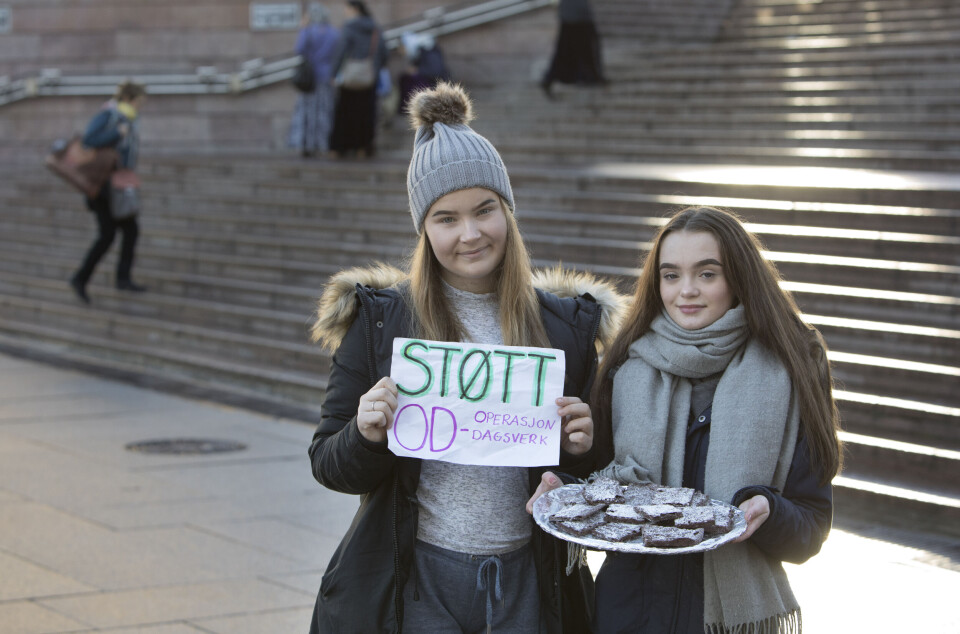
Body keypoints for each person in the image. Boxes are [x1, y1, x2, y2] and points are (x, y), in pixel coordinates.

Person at [306, 82, 624, 633]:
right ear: (424, 230)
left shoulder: (565, 327)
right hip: (417, 580)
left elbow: (592, 476)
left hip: (532, 580)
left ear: (508, 212)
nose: (470, 234)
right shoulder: (382, 322)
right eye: (446, 218)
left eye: (484, 210)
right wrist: (364, 432)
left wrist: (582, 448)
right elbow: (329, 463)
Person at [528, 206, 844, 633]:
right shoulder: (625, 366)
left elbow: (810, 527)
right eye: (671, 275)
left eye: (707, 274)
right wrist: (564, 484)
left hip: (728, 621)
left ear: (738, 278)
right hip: (626, 616)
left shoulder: (792, 370)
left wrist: (768, 510)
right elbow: (605, 491)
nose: (686, 291)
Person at [69, 80, 147, 304]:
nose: (141, 106)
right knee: (108, 235)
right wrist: (117, 133)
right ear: (129, 99)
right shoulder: (110, 115)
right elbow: (89, 139)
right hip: (103, 187)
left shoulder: (130, 117)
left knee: (128, 231)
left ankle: (121, 278)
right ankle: (81, 279)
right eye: (139, 101)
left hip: (120, 185)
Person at [328, 0, 387, 158]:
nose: (345, 12)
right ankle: (363, 148)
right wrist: (374, 68)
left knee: (345, 112)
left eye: (347, 9)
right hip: (370, 77)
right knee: (366, 114)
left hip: (350, 78)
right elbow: (383, 52)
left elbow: (341, 51)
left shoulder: (349, 27)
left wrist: (334, 73)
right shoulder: (375, 28)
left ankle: (339, 148)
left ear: (355, 9)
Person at [289, 2, 340, 157]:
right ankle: (324, 143)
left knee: (307, 112)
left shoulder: (308, 31)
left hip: (309, 79)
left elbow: (299, 50)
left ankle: (307, 144)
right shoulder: (334, 33)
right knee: (325, 111)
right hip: (327, 77)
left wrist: (303, 27)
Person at [540, 0, 607, 99]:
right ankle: (590, 75)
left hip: (572, 14)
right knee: (572, 49)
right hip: (576, 14)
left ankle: (588, 75)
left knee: (566, 49)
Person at [397, 32, 452, 115]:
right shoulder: (417, 52)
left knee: (412, 78)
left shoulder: (427, 50)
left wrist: (418, 71)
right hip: (431, 81)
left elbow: (435, 71)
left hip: (436, 85)